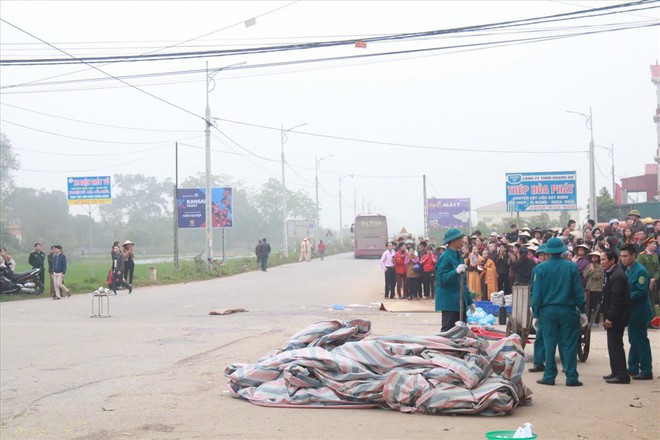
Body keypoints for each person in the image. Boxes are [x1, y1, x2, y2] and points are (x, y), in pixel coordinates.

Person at [531, 237, 586, 387]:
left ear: (548, 252)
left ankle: (549, 376)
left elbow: (536, 295)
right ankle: (571, 377)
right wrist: (582, 310)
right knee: (569, 344)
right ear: (562, 251)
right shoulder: (571, 267)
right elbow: (578, 291)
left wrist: (535, 314)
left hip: (548, 311)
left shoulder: (540, 269)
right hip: (568, 310)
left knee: (549, 344)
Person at [619, 243, 653, 380]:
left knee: (641, 340)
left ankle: (646, 369)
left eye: (626, 256)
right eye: (621, 256)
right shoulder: (628, 270)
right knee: (633, 339)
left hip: (639, 312)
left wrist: (625, 299)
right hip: (631, 312)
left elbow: (641, 292)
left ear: (634, 255)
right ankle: (633, 367)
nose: (623, 259)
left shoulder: (640, 271)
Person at [600, 249, 631, 384]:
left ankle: (622, 374)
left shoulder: (617, 275)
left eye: (603, 260)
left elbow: (616, 299)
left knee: (616, 345)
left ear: (612, 260)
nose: (601, 262)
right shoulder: (611, 273)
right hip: (613, 315)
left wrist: (610, 317)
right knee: (612, 345)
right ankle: (616, 371)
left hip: (616, 317)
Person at [436, 228, 475, 332]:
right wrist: (455, 272)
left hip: (460, 301)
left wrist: (470, 301)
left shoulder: (459, 256)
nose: (463, 241)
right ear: (453, 241)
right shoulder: (445, 257)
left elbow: (463, 282)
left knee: (461, 332)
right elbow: (441, 279)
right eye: (460, 238)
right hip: (449, 301)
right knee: (448, 332)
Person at [529, 244, 550, 373]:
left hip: (547, 307)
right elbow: (534, 289)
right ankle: (539, 362)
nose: (542, 257)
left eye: (544, 255)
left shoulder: (546, 269)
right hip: (542, 307)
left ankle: (564, 364)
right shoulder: (536, 269)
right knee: (540, 337)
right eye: (540, 255)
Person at [637, 236, 659, 308]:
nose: (655, 245)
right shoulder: (641, 256)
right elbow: (640, 270)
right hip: (644, 282)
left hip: (653, 282)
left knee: (652, 303)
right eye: (653, 244)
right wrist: (649, 280)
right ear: (648, 244)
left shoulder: (655, 255)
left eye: (656, 244)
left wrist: (654, 278)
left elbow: (658, 269)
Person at [584, 251, 604, 324]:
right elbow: (584, 274)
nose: (594, 258)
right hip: (589, 288)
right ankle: (588, 320)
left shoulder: (601, 266)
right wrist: (590, 269)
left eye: (595, 257)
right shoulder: (589, 265)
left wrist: (592, 270)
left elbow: (596, 276)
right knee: (588, 306)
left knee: (596, 306)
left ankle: (596, 321)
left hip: (597, 288)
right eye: (593, 257)